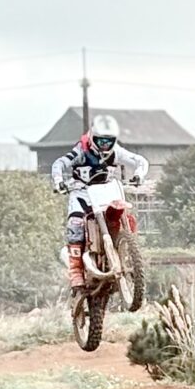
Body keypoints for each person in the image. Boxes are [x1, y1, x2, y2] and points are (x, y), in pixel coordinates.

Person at [49, 115, 149, 287]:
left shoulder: (116, 152)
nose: (104, 145)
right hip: (81, 193)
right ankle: (75, 271)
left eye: (108, 141)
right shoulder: (81, 150)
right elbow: (59, 163)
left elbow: (140, 160)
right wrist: (59, 181)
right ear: (93, 137)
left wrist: (139, 174)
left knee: (125, 215)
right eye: (101, 141)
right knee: (75, 223)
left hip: (106, 192)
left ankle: (128, 252)